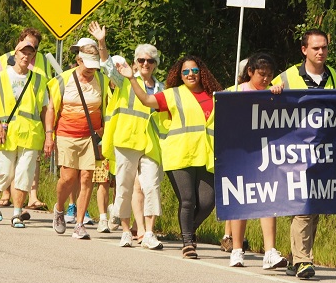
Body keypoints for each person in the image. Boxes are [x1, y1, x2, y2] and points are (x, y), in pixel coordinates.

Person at [272, 29, 336, 279]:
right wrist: (273, 93)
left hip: (325, 153)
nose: (321, 52)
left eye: (325, 48)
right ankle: (302, 261)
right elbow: (268, 112)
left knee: (314, 206)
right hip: (295, 153)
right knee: (303, 206)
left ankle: (294, 258)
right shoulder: (286, 77)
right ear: (304, 50)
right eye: (316, 48)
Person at [117, 55, 222, 258]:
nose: (190, 74)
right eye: (185, 72)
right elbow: (147, 100)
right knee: (188, 201)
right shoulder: (173, 94)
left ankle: (186, 229)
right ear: (179, 75)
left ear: (202, 72)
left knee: (208, 201)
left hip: (206, 155)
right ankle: (188, 242)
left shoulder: (215, 95)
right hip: (179, 155)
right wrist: (131, 79)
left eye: (194, 70)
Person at [89, 21, 165, 249]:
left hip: (151, 144)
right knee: (124, 186)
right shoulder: (124, 79)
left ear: (155, 65)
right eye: (141, 60)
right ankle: (125, 230)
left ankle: (149, 232)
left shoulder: (160, 88)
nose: (145, 64)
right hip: (127, 140)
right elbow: (107, 66)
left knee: (151, 186)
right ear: (134, 62)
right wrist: (102, 42)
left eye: (150, 61)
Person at [221, 53, 287, 268]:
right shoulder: (235, 92)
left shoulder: (272, 93)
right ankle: (237, 250)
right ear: (250, 72)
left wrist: (277, 94)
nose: (266, 79)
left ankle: (270, 251)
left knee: (268, 200)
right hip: (240, 155)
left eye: (269, 75)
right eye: (261, 74)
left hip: (266, 155)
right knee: (242, 202)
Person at [0, 39, 54, 228]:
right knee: (5, 173)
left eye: (30, 53)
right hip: (5, 133)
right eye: (23, 52)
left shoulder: (39, 80)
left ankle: (16, 214)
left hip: (30, 134)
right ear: (15, 54)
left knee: (24, 175)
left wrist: (49, 135)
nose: (26, 56)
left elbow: (46, 109)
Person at [49, 37, 110, 239]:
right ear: (79, 61)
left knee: (86, 177)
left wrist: (104, 132)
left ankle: (79, 223)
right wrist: (49, 135)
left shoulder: (101, 80)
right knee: (68, 178)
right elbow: (52, 109)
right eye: (87, 65)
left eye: (95, 65)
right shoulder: (63, 80)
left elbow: (106, 107)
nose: (91, 69)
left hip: (91, 136)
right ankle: (59, 209)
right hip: (66, 134)